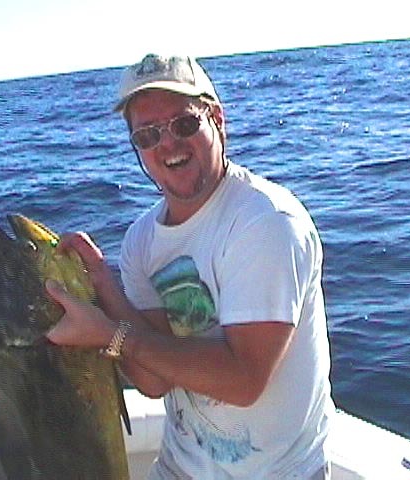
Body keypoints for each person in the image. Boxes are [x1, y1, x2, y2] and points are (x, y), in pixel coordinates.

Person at [45, 53, 334, 479]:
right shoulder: (141, 241)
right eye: (147, 135)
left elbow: (244, 380)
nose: (167, 144)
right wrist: (103, 283)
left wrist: (108, 333)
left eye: (183, 124)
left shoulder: (266, 223)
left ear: (216, 119)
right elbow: (154, 380)